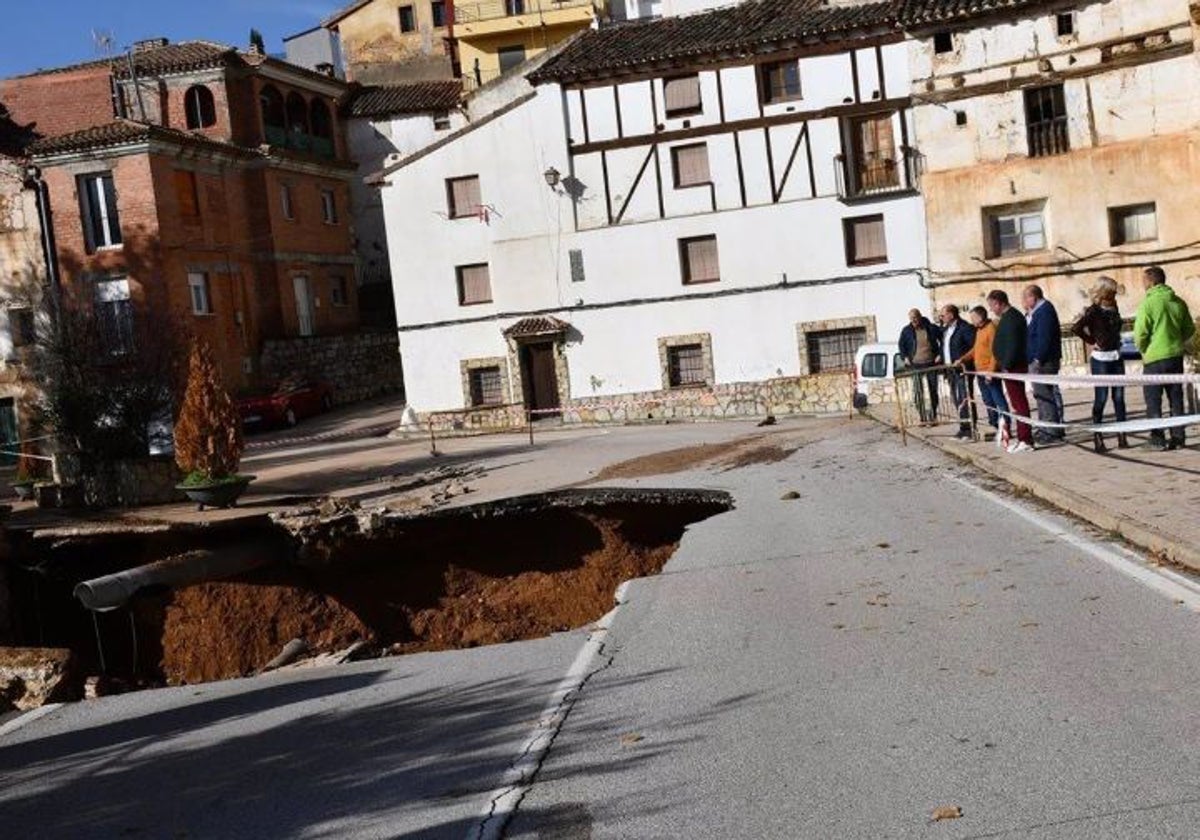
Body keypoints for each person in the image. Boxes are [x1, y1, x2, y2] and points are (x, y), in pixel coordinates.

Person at [1133, 266, 1196, 451]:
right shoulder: (1178, 302)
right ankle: (1178, 437)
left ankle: (1157, 439)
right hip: (1175, 356)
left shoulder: (1148, 303)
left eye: (1144, 280)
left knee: (1153, 399)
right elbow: (1189, 329)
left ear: (1151, 281)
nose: (1142, 284)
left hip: (1154, 358)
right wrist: (1177, 341)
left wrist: (1144, 349)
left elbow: (1140, 333)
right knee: (1176, 397)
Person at [1072, 276, 1128, 453]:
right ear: (1104, 292)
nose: (1114, 294)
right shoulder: (1093, 311)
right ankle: (1098, 436)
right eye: (1111, 291)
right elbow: (1076, 328)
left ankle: (1122, 435)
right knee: (1101, 398)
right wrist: (1091, 341)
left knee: (1119, 398)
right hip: (1101, 359)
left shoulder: (1114, 307)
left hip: (1116, 356)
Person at [987, 289, 1035, 453]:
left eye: (992, 306)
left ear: (999, 303)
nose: (991, 310)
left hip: (1013, 366)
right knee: (1016, 403)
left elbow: (1014, 344)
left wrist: (1006, 364)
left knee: (1019, 403)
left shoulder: (1013, 318)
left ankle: (1025, 439)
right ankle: (1023, 437)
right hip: (1009, 366)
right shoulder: (1007, 318)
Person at [957, 305, 1009, 447]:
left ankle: (1006, 425)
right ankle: (994, 424)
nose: (971, 320)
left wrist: (991, 371)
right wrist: (963, 358)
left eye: (973, 317)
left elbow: (995, 352)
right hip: (980, 371)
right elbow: (976, 349)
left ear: (980, 317)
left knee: (998, 399)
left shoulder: (991, 328)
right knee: (988, 400)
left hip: (989, 372)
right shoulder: (979, 331)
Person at [1023, 285, 1064, 444]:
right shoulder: (1036, 312)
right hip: (1037, 360)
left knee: (1045, 396)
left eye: (1026, 298)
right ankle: (1044, 428)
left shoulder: (1044, 311)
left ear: (1033, 297)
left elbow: (1044, 337)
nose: (1024, 302)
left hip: (1044, 361)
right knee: (1040, 396)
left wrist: (1038, 358)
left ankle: (1051, 431)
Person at [898, 308, 942, 424]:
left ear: (920, 316)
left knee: (933, 390)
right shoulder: (906, 330)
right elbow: (901, 345)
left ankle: (932, 416)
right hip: (915, 365)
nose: (913, 320)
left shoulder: (931, 328)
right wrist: (905, 357)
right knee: (918, 392)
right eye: (911, 319)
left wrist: (940, 354)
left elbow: (943, 338)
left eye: (915, 318)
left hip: (931, 363)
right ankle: (922, 417)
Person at [939, 304, 976, 439]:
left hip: (962, 369)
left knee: (964, 399)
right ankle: (963, 427)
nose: (941, 318)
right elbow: (944, 348)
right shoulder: (946, 330)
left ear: (951, 315)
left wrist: (963, 360)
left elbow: (973, 348)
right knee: (956, 400)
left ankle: (970, 429)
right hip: (950, 370)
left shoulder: (965, 328)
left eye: (943, 315)